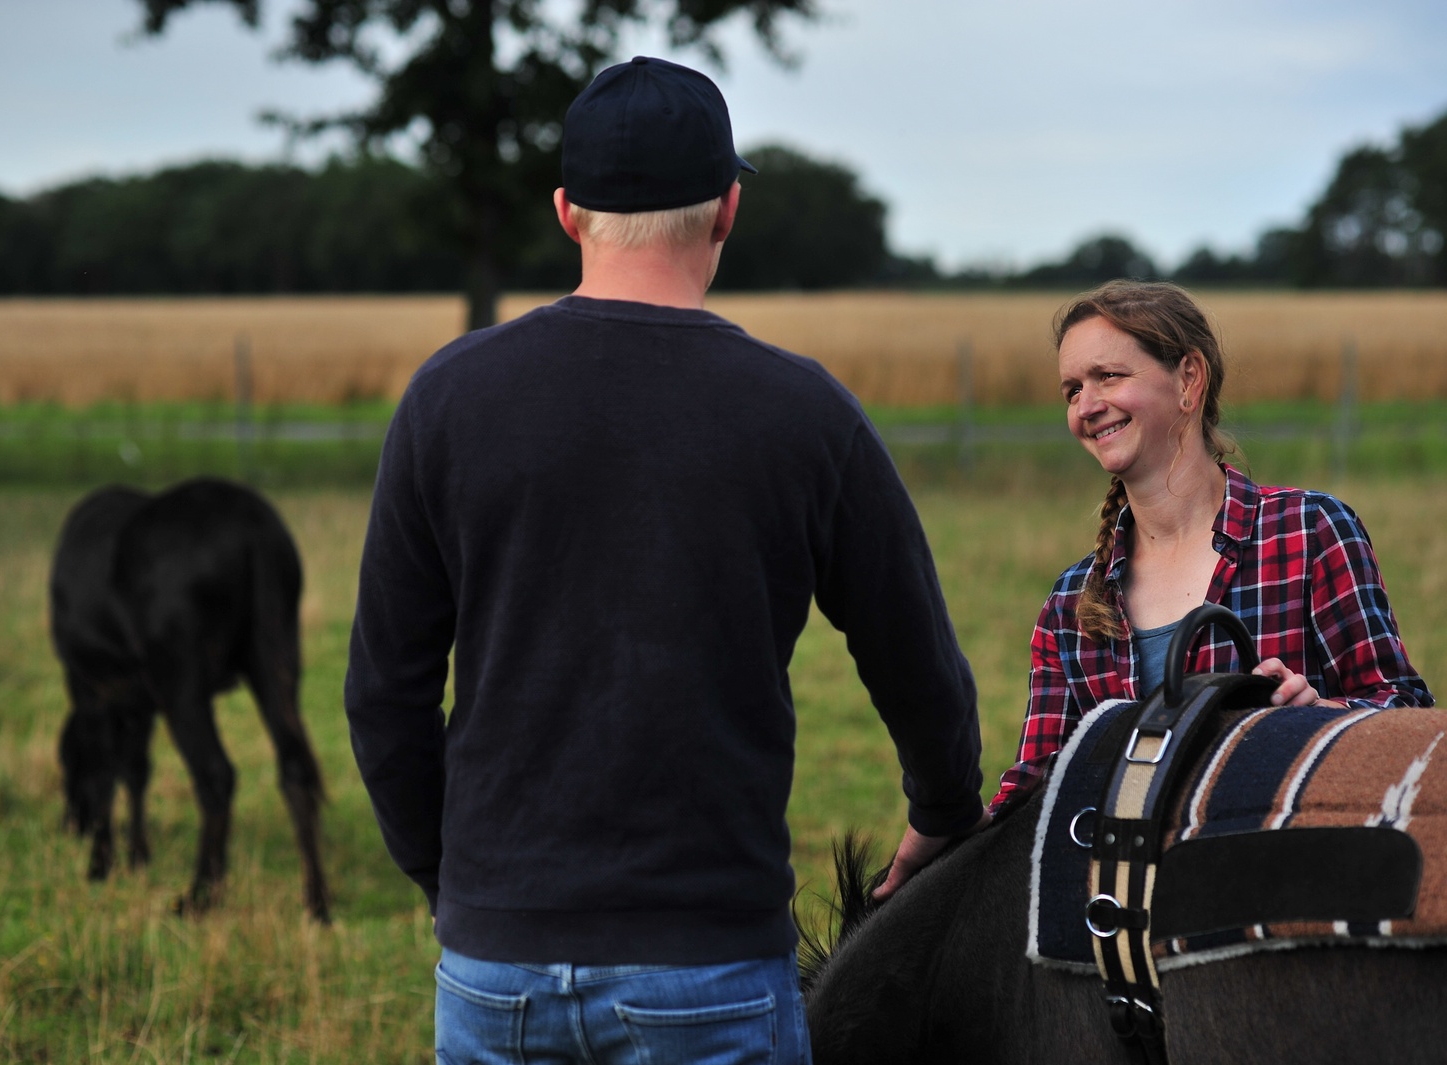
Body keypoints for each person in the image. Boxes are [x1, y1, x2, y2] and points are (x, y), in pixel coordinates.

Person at [345, 55, 987, 1064]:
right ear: (727, 209)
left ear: (567, 212)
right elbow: (916, 658)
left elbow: (384, 693)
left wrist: (455, 883)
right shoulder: (802, 409)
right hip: (710, 962)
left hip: (495, 964)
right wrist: (943, 810)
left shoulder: (448, 397)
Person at [992, 279, 1433, 809]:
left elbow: (1407, 715)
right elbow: (1033, 794)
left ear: (1189, 379)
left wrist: (1321, 716)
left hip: (1292, 873)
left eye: (1107, 377)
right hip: (1135, 889)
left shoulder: (1308, 532)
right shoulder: (1071, 604)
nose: (1087, 405)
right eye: (1072, 390)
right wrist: (941, 834)